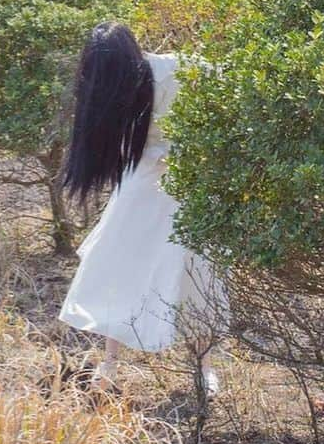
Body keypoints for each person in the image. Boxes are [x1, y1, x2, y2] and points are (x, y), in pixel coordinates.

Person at [58, 21, 228, 390]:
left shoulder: (172, 68)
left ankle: (203, 368)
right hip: (143, 183)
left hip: (187, 184)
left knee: (192, 268)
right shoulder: (114, 86)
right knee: (118, 264)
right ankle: (110, 364)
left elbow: (225, 82)